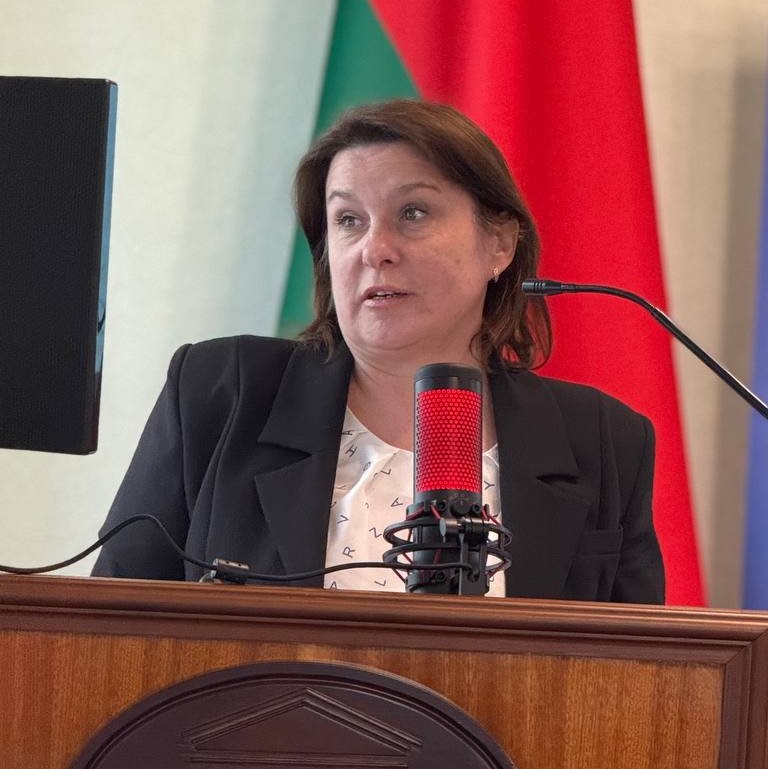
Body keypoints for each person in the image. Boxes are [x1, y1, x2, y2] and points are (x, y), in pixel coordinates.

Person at [92, 100, 665, 604]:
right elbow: (109, 629)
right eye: (348, 220)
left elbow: (637, 671)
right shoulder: (222, 392)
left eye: (413, 213)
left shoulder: (601, 440)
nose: (375, 249)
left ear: (500, 243)